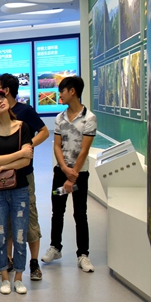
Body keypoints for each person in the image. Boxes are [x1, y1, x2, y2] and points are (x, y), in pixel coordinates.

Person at [0, 73, 50, 280]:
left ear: (6, 91)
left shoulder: (25, 111)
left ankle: (33, 263)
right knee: (6, 218)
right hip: (2, 175)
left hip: (24, 175)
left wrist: (27, 146)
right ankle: (8, 260)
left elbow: (44, 131)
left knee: (30, 217)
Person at [43, 76, 96, 273]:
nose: (60, 95)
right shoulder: (60, 118)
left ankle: (83, 254)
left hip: (80, 175)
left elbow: (84, 150)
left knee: (80, 213)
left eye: (62, 91)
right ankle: (55, 247)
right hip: (60, 173)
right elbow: (57, 146)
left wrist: (72, 176)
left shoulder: (89, 118)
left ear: (72, 91)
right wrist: (65, 170)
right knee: (57, 210)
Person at [0, 89, 34, 294]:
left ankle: (19, 277)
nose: (1, 102)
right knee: (1, 235)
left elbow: (26, 161)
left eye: (2, 98)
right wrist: (18, 153)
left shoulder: (23, 127)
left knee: (20, 234)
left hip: (20, 188)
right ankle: (5, 276)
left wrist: (2, 167)